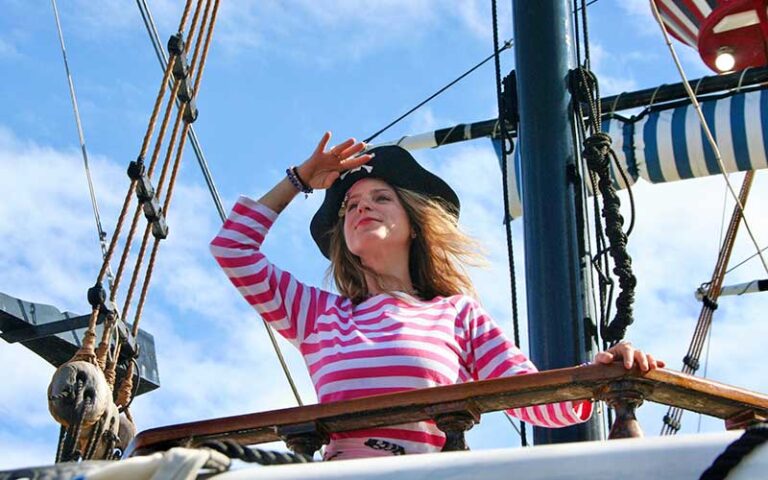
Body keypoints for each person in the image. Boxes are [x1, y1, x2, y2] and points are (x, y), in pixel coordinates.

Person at [210, 132, 663, 460]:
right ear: (343, 240)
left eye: (380, 198)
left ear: (414, 224)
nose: (361, 206)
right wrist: (301, 178)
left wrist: (599, 375)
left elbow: (540, 404)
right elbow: (232, 249)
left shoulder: (456, 314)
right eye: (350, 205)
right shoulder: (317, 315)